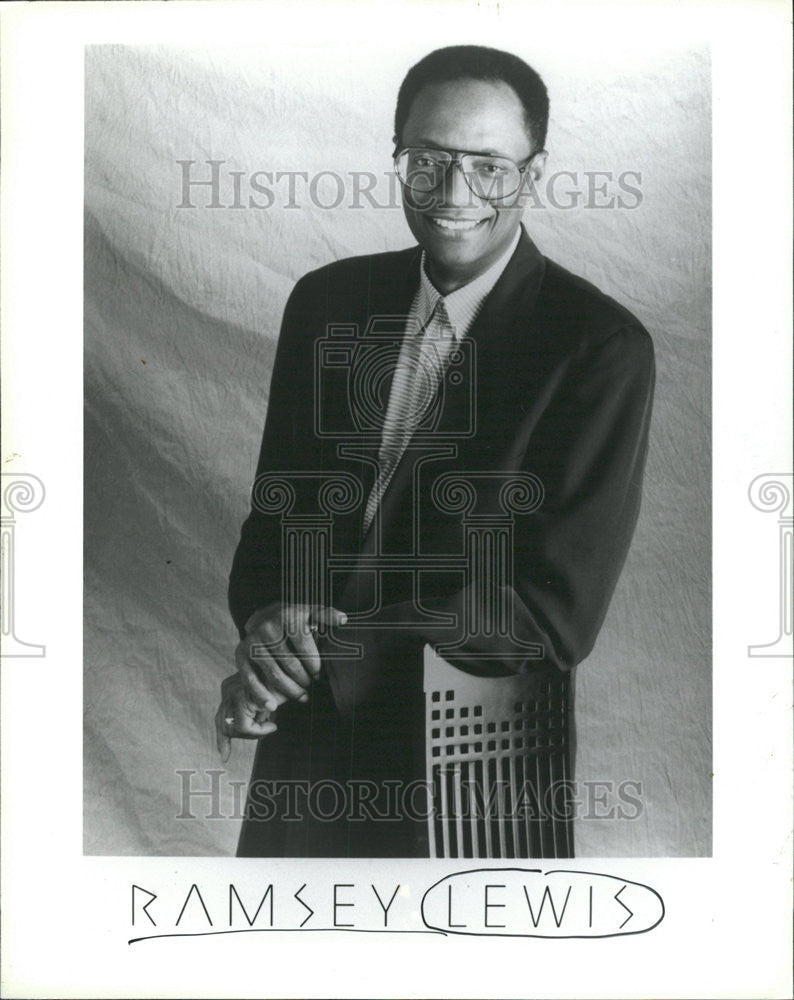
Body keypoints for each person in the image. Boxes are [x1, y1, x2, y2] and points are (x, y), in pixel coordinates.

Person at [216, 45, 655, 858]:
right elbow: (275, 521)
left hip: (472, 763)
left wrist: (315, 646)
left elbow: (550, 614)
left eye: (489, 165)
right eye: (427, 160)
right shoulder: (326, 303)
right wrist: (266, 628)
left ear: (536, 170)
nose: (454, 195)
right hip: (306, 745)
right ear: (398, 158)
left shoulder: (597, 346)